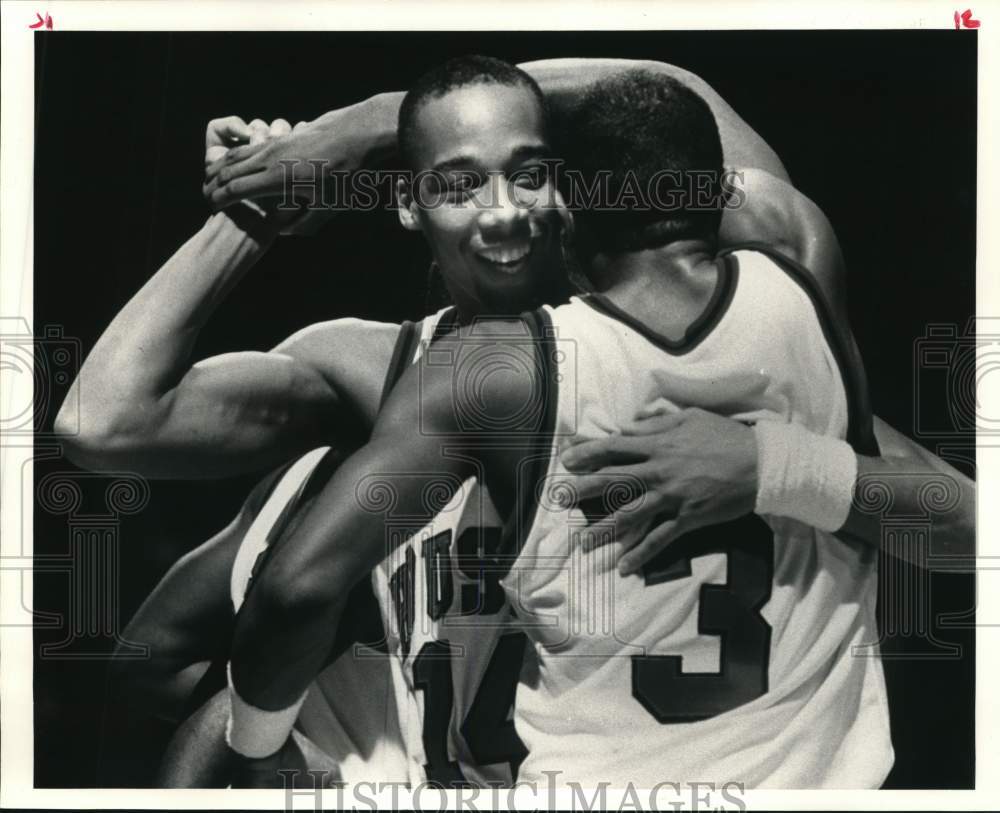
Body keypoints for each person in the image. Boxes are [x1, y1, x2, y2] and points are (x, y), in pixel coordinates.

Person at [56, 56, 972, 786]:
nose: (502, 214)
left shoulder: (696, 354)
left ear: (569, 187)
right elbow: (104, 419)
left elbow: (676, 97)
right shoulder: (380, 368)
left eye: (527, 173)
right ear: (409, 205)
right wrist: (265, 198)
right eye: (458, 183)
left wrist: (366, 122)